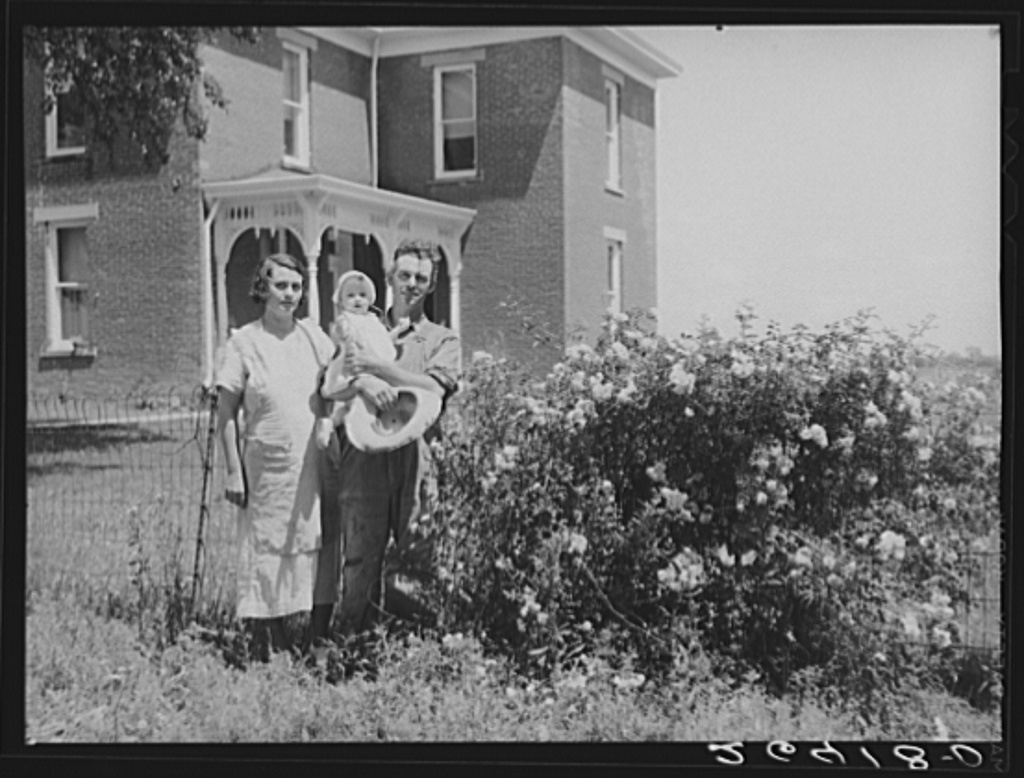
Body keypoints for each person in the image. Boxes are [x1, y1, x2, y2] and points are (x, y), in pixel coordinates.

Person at [312, 240, 460, 637]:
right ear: (390, 277)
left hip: (416, 456)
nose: (412, 284)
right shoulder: (358, 326)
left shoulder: (441, 339)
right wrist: (362, 382)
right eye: (404, 275)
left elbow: (435, 387)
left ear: (431, 285)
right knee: (360, 554)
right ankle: (352, 644)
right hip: (363, 454)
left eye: (421, 278)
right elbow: (330, 384)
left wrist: (377, 367)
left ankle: (412, 644)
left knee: (417, 550)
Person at [215, 252, 336, 661]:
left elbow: (338, 382)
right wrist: (233, 471)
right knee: (266, 547)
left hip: (311, 464)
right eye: (280, 285)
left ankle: (312, 639)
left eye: (296, 287)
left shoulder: (314, 338)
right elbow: (226, 415)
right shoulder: (244, 343)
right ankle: (272, 642)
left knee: (309, 543)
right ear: (262, 289)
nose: (289, 294)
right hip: (265, 468)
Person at [315, 270, 406, 451]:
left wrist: (398, 331)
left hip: (376, 371)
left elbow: (382, 342)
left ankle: (376, 434)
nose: (357, 300)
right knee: (354, 404)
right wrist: (344, 333)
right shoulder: (346, 319)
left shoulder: (373, 321)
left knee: (377, 404)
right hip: (355, 371)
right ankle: (330, 423)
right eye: (350, 296)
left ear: (370, 299)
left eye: (363, 295)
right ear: (341, 301)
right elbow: (344, 340)